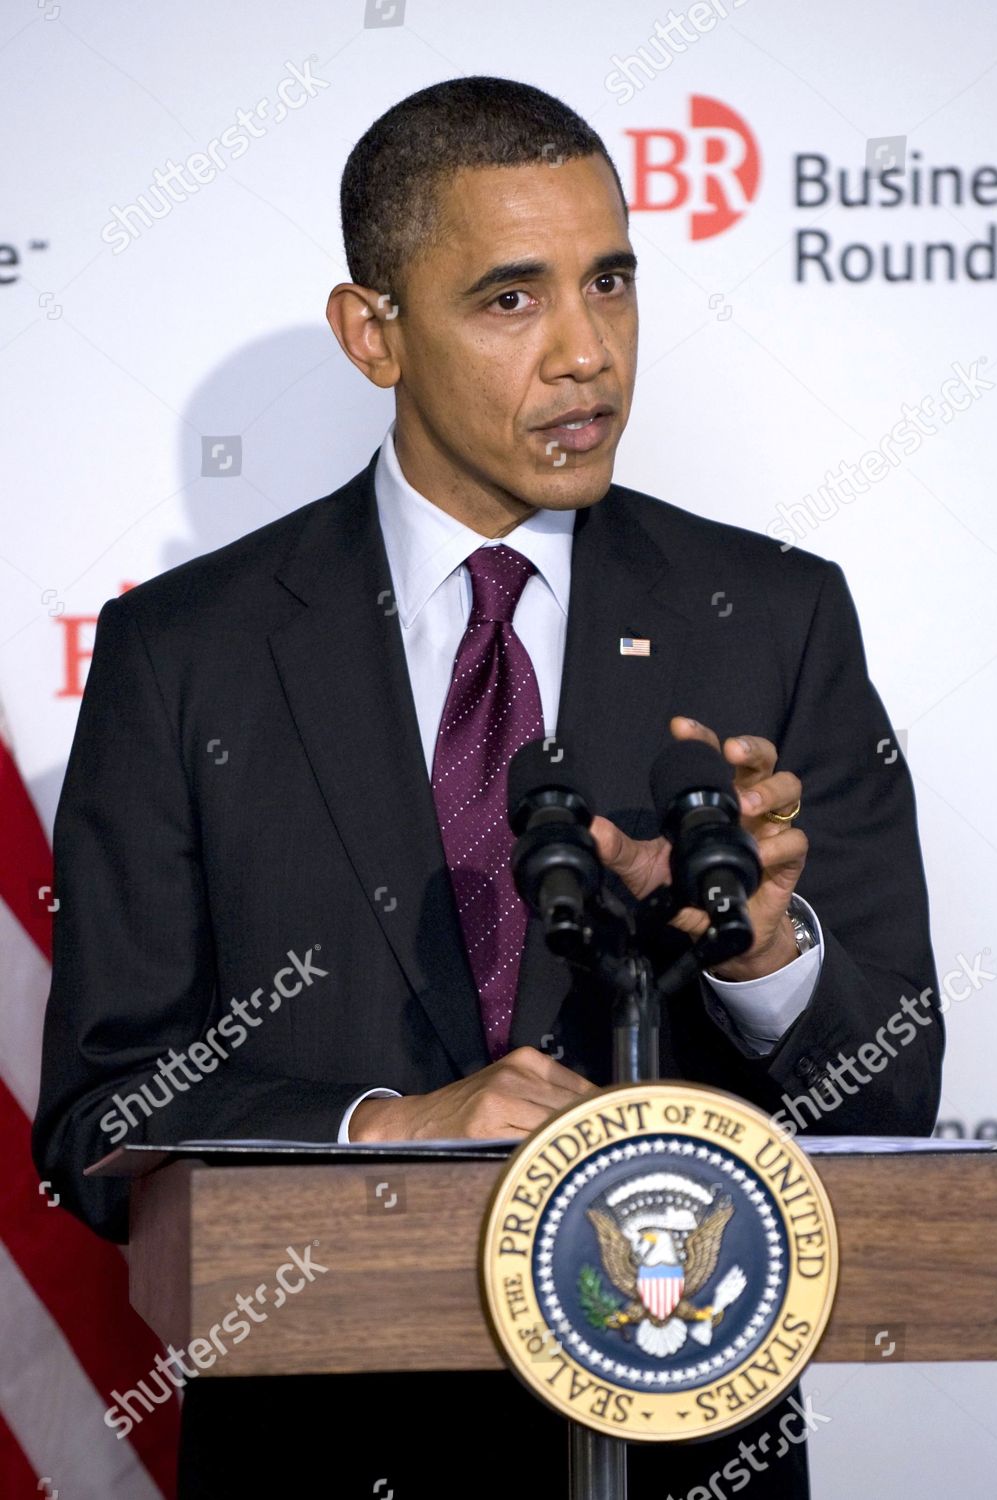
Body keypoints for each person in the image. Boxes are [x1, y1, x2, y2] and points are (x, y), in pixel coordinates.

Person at [33, 76, 943, 1498]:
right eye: (510, 301)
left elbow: (891, 1088)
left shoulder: (768, 616)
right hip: (327, 1447)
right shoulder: (184, 652)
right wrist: (387, 1126)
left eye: (611, 283)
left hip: (682, 1446)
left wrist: (763, 953)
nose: (587, 355)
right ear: (373, 333)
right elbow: (100, 1120)